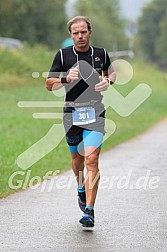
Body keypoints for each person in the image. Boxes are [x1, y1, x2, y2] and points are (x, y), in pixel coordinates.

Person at [46, 16, 116, 228]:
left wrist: (108, 81)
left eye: (83, 32)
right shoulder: (63, 55)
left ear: (89, 32)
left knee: (91, 159)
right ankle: (80, 188)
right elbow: (49, 84)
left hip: (95, 112)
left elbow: (111, 72)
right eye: (75, 33)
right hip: (71, 113)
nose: (80, 36)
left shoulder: (100, 53)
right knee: (77, 160)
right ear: (71, 34)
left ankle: (90, 211)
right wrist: (66, 78)